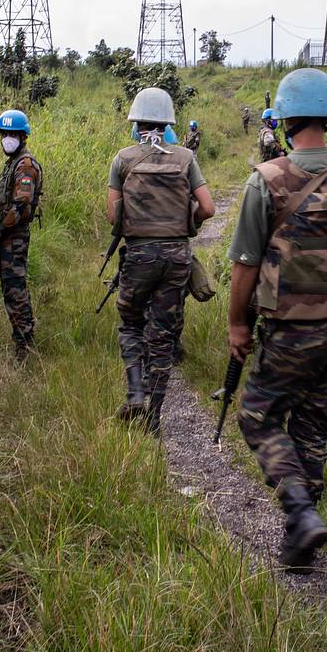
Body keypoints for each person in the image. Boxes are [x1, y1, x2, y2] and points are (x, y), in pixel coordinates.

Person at [226, 68, 327, 572]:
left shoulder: (267, 180)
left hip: (291, 329)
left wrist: (237, 325)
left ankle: (300, 512)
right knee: (312, 425)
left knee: (257, 416)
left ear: (284, 118)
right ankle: (301, 544)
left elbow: (244, 265)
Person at [107, 88, 215, 434]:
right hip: (176, 258)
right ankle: (154, 419)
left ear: (136, 121)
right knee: (163, 333)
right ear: (168, 121)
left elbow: (113, 216)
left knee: (130, 322)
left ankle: (135, 392)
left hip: (138, 255)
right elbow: (209, 208)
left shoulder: (123, 159)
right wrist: (188, 222)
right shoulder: (185, 158)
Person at [0, 109, 44, 359]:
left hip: (12, 237)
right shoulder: (13, 163)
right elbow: (5, 200)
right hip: (4, 234)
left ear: (23, 136)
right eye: (4, 134)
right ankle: (22, 336)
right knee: (10, 287)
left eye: (12, 134)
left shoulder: (26, 166)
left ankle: (24, 342)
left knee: (14, 288)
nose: (7, 138)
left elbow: (20, 207)